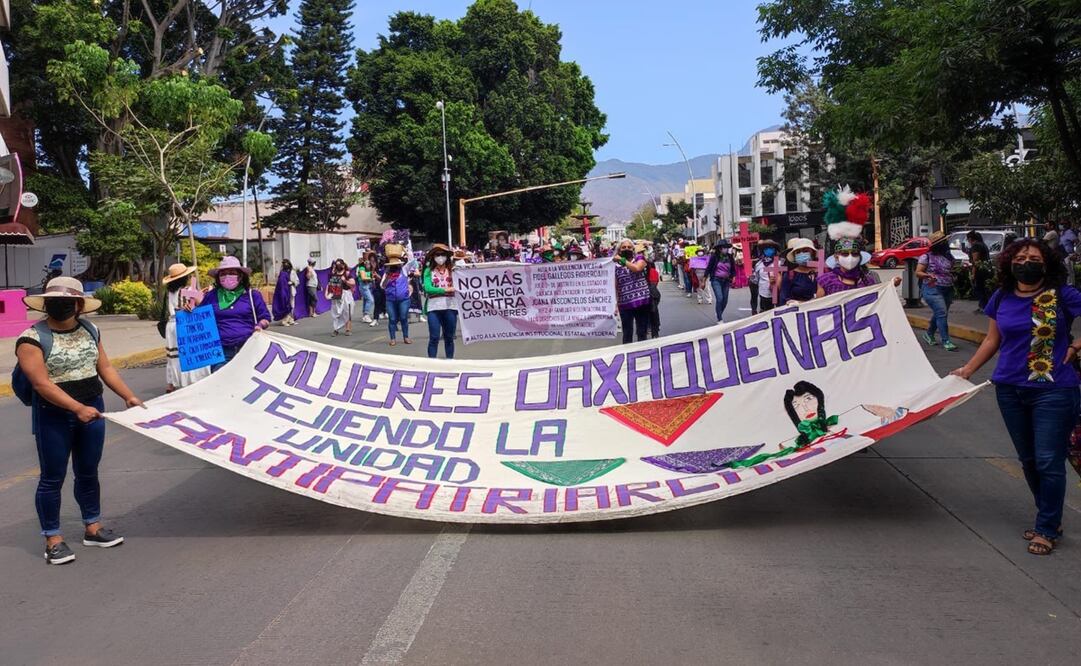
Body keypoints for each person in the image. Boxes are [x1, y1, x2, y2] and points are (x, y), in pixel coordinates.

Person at [951, 239, 1081, 556]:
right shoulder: (1002, 297)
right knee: (1029, 460)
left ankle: (1047, 528)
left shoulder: (1063, 296)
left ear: (1046, 263)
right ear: (1010, 263)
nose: (1026, 262)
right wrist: (967, 369)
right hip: (1009, 388)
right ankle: (1049, 517)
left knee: (1049, 460)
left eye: (1034, 257)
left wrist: (1076, 346)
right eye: (1020, 257)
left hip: (1055, 390)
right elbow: (993, 339)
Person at [15, 277, 144, 565]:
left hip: (92, 410)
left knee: (88, 471)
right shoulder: (31, 339)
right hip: (54, 415)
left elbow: (105, 367)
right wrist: (76, 408)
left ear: (79, 305)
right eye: (54, 301)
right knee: (52, 477)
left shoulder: (90, 329)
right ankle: (53, 539)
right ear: (46, 304)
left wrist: (128, 396)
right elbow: (41, 384)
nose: (60, 306)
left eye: (66, 301)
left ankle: (93, 527)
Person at [205, 256, 271, 370]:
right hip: (220, 352)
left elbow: (265, 318)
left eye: (231, 273)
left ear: (240, 276)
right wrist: (189, 310)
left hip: (248, 348)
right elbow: (199, 319)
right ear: (218, 277)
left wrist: (260, 325)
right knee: (221, 386)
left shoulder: (252, 295)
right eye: (223, 274)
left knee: (248, 386)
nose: (227, 276)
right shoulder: (211, 296)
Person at [161, 263, 211, 392]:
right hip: (185, 324)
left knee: (174, 355)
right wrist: (202, 293)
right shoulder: (188, 290)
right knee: (190, 352)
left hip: (171, 325)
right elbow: (201, 303)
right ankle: (191, 380)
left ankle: (173, 382)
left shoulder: (169, 293)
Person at [916, 231, 958, 351]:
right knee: (941, 313)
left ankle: (929, 334)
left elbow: (951, 270)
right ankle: (946, 341)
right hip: (932, 288)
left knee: (940, 314)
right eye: (943, 242)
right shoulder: (926, 257)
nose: (945, 243)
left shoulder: (948, 256)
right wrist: (928, 276)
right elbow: (918, 272)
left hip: (948, 288)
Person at [815, 237, 888, 296]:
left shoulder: (868, 281)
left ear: (859, 257)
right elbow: (819, 308)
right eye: (845, 254)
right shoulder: (825, 280)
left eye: (854, 254)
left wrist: (889, 286)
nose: (850, 257)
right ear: (836, 257)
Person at [422, 244, 458, 358]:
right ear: (433, 256)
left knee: (449, 338)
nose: (440, 257)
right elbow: (428, 288)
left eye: (443, 254)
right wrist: (446, 289)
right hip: (433, 308)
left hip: (450, 307)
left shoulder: (453, 270)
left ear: (447, 256)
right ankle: (432, 364)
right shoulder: (428, 271)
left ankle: (450, 362)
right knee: (434, 337)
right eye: (438, 254)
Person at [614, 239, 651, 343]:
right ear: (619, 250)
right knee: (627, 333)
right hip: (624, 303)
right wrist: (615, 304)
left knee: (642, 332)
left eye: (629, 247)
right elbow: (615, 286)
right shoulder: (615, 266)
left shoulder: (640, 259)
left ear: (633, 249)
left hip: (642, 301)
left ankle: (643, 355)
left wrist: (621, 260)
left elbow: (637, 269)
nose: (627, 249)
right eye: (624, 247)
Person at [381, 245, 412, 346]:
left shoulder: (404, 270)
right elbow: (382, 286)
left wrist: (405, 250)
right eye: (392, 265)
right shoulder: (386, 274)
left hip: (404, 299)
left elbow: (412, 261)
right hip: (390, 300)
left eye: (396, 264)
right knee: (392, 319)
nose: (394, 267)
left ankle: (406, 337)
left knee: (403, 317)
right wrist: (387, 278)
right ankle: (393, 338)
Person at [779, 238, 819, 304]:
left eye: (805, 251)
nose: (802, 254)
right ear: (794, 256)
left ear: (813, 253)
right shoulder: (790, 275)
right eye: (798, 252)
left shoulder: (824, 272)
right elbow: (784, 298)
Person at [705, 239, 736, 322]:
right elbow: (708, 268)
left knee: (725, 300)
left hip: (726, 281)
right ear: (720, 248)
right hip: (716, 280)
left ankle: (719, 312)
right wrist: (704, 280)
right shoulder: (714, 257)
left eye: (726, 247)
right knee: (720, 298)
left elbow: (733, 268)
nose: (726, 249)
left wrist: (733, 276)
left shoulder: (730, 257)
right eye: (724, 247)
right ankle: (720, 319)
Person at [326, 258, 355, 336]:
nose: (338, 266)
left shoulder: (347, 273)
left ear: (342, 265)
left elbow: (353, 283)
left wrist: (345, 280)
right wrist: (327, 294)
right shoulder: (333, 274)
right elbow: (329, 285)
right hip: (336, 295)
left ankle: (348, 329)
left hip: (346, 294)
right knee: (336, 313)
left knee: (347, 312)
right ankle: (336, 329)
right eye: (336, 265)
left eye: (339, 264)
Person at [966, 231, 992, 312]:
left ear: (970, 239)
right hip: (986, 269)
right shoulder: (982, 244)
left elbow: (975, 261)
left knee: (980, 288)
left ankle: (984, 307)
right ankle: (984, 306)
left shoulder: (976, 246)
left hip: (980, 271)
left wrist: (973, 274)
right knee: (984, 289)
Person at [272, 259, 298, 327]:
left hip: (290, 291)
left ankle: (290, 319)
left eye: (287, 263)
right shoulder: (283, 273)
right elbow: (281, 284)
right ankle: (285, 320)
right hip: (284, 292)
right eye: (284, 263)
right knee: (286, 305)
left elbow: (297, 281)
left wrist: (292, 283)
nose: (286, 265)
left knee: (291, 305)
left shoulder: (292, 271)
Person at [356, 253, 376, 323]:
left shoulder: (369, 266)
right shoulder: (361, 267)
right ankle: (366, 315)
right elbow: (363, 277)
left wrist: (372, 268)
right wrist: (371, 277)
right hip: (364, 286)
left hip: (368, 285)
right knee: (370, 300)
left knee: (366, 300)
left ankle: (365, 315)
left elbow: (371, 274)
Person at [646, 251, 662, 338]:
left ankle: (649, 327)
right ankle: (655, 329)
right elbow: (656, 282)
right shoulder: (655, 272)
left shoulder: (645, 272)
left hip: (649, 293)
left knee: (648, 312)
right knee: (654, 311)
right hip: (655, 293)